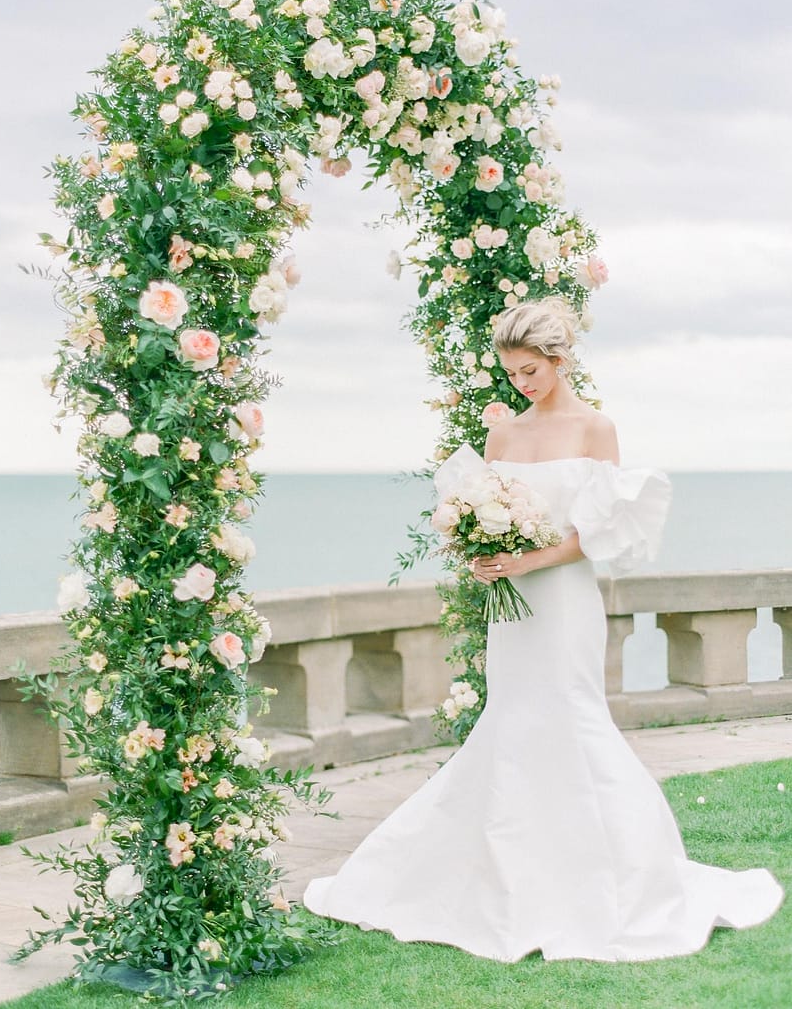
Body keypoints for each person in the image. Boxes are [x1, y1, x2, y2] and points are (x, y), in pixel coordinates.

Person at [302, 297, 784, 962]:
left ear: (559, 359)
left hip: (562, 603)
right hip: (514, 612)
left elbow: (595, 533)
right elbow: (486, 509)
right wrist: (480, 551)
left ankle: (609, 882)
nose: (521, 384)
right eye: (512, 374)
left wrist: (527, 557)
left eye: (530, 370)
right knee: (511, 724)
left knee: (573, 719)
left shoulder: (595, 429)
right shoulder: (503, 436)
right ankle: (499, 878)